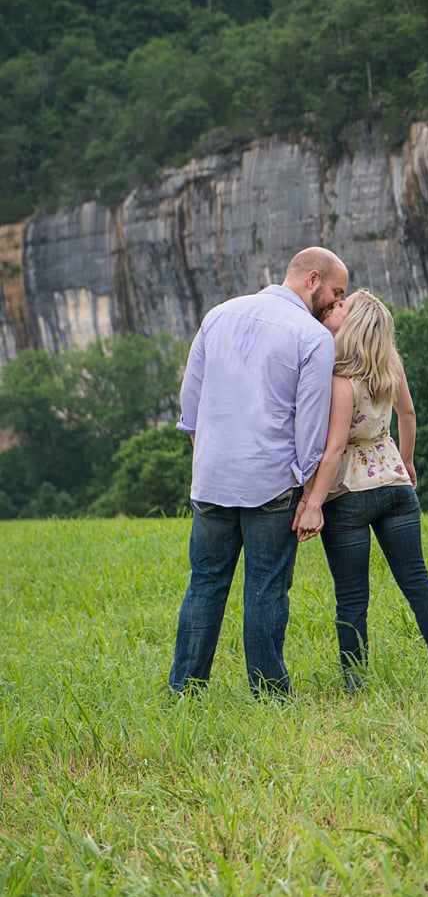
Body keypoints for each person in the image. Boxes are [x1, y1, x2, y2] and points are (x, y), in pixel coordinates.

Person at [169, 246, 349, 698]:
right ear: (312, 279)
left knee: (205, 584)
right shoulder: (312, 337)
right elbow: (310, 427)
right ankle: (269, 695)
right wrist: (307, 491)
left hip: (211, 479)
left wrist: (207, 457)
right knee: (267, 588)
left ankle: (185, 691)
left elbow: (190, 405)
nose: (335, 301)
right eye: (335, 291)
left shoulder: (218, 315)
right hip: (272, 482)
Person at [295, 289, 428, 689]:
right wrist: (407, 460)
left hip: (348, 493)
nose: (337, 307)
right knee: (417, 579)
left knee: (351, 596)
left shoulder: (340, 381)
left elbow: (333, 449)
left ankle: (355, 681)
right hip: (397, 486)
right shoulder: (390, 368)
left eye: (343, 307)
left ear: (352, 325)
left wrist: (313, 502)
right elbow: (408, 413)